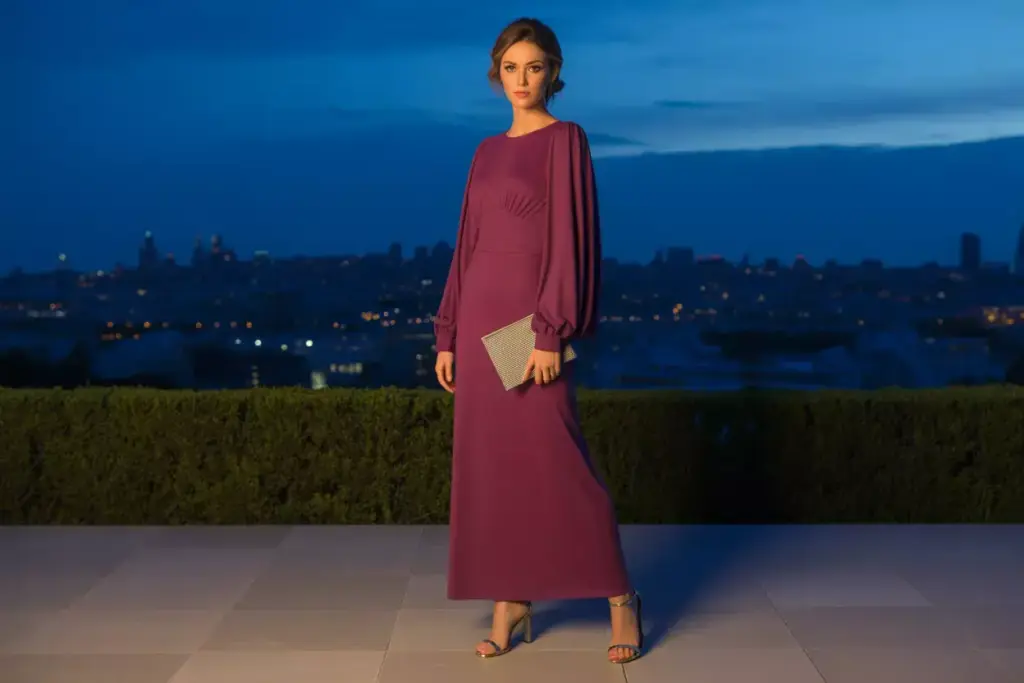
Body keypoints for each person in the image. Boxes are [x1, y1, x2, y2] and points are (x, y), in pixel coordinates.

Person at [433, 17, 644, 665]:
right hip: (478, 320)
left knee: (559, 458)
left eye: (534, 67)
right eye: (510, 68)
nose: (522, 80)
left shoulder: (566, 141)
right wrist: (446, 330)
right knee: (492, 467)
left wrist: (551, 330)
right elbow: (465, 245)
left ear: (554, 72)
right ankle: (510, 599)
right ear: (495, 75)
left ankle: (619, 596)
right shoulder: (485, 152)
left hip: (530, 325)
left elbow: (572, 242)